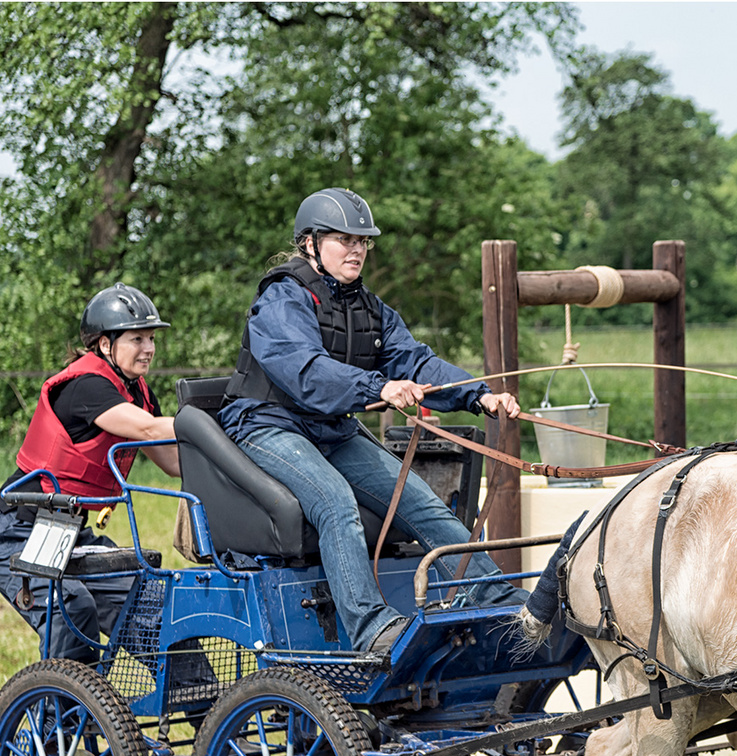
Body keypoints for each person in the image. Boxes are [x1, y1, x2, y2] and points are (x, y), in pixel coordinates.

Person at [220, 187, 525, 652]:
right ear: (310, 244)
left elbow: (415, 361)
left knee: (420, 500)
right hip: (267, 424)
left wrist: (479, 395)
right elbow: (305, 371)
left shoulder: (369, 308)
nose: (357, 249)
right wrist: (376, 387)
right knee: (335, 502)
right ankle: (372, 630)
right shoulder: (282, 299)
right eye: (345, 239)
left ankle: (497, 601)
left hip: (329, 430)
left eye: (363, 241)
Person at [0, 284, 181, 663]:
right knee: (72, 608)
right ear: (105, 345)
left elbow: (170, 462)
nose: (149, 348)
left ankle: (207, 708)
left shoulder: (135, 391)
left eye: (152, 338)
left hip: (67, 527)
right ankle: (65, 717)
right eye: (137, 338)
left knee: (147, 600)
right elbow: (152, 430)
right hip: (16, 530)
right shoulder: (88, 386)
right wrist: (216, 424)